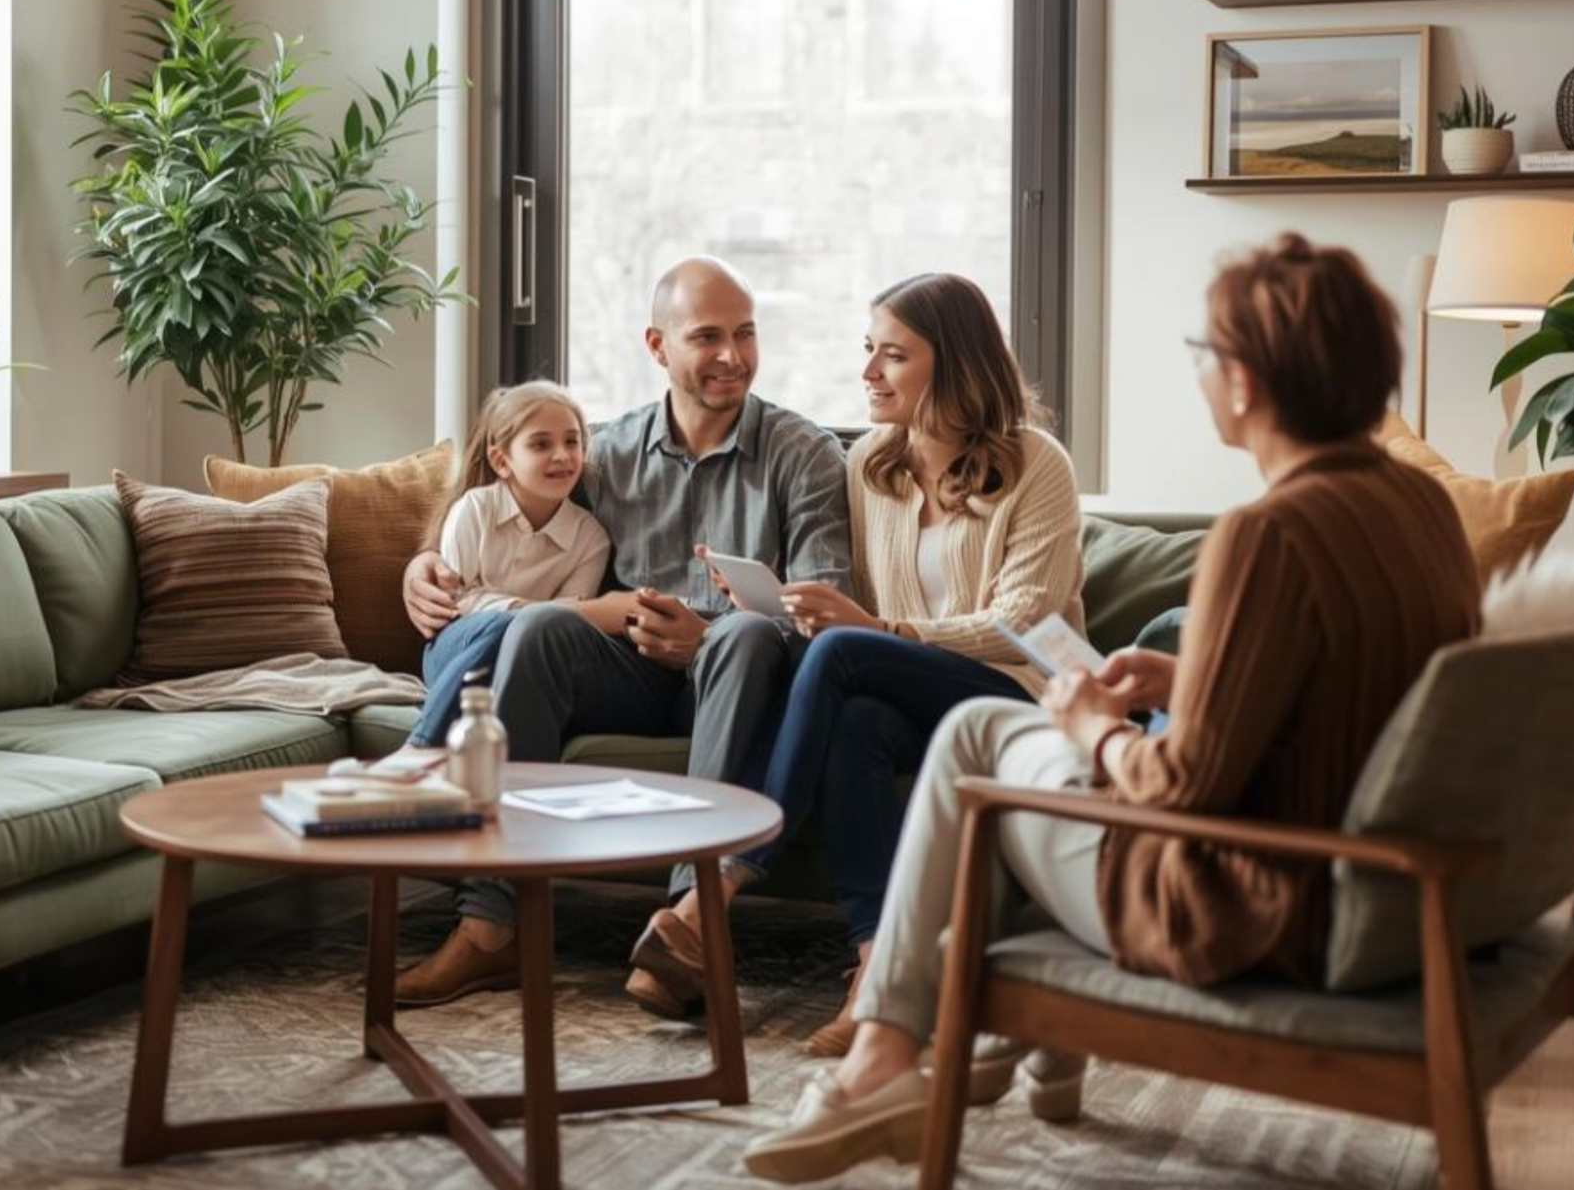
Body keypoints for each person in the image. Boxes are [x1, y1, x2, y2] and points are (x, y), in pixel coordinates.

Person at [740, 233, 1482, 1184]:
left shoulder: (1266, 535)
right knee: (971, 734)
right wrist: (1193, 682)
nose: (1202, 375)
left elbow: (1175, 788)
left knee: (982, 739)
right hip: (1359, 871)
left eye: (1204, 354)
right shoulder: (1422, 508)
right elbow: (1361, 687)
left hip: (1245, 902)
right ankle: (929, 1023)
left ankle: (898, 1044)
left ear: (1246, 382)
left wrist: (1094, 725)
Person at [627, 273, 1084, 1045]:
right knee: (856, 720)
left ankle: (722, 883)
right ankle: (878, 964)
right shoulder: (872, 462)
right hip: (908, 698)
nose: (868, 371)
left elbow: (1021, 625)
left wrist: (883, 630)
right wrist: (785, 608)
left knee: (846, 652)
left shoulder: (1037, 463)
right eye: (868, 349)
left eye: (894, 355)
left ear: (957, 363)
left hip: (1019, 699)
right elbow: (853, 621)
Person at [394, 256, 852, 1007]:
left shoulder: (802, 453)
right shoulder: (603, 451)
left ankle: (684, 925)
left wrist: (704, 636)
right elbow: (508, 502)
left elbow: (823, 609)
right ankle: (491, 926)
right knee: (539, 627)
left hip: (740, 675)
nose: (732, 356)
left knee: (744, 638)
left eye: (745, 333)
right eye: (707, 336)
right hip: (632, 673)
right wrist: (424, 561)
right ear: (656, 345)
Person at [407, 381, 614, 747]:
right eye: (541, 444)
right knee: (511, 627)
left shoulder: (591, 538)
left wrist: (529, 619)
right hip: (456, 648)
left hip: (525, 666)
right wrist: (525, 615)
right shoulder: (475, 509)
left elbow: (568, 625)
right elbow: (457, 603)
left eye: (572, 442)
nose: (563, 455)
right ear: (502, 461)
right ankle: (419, 749)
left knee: (532, 630)